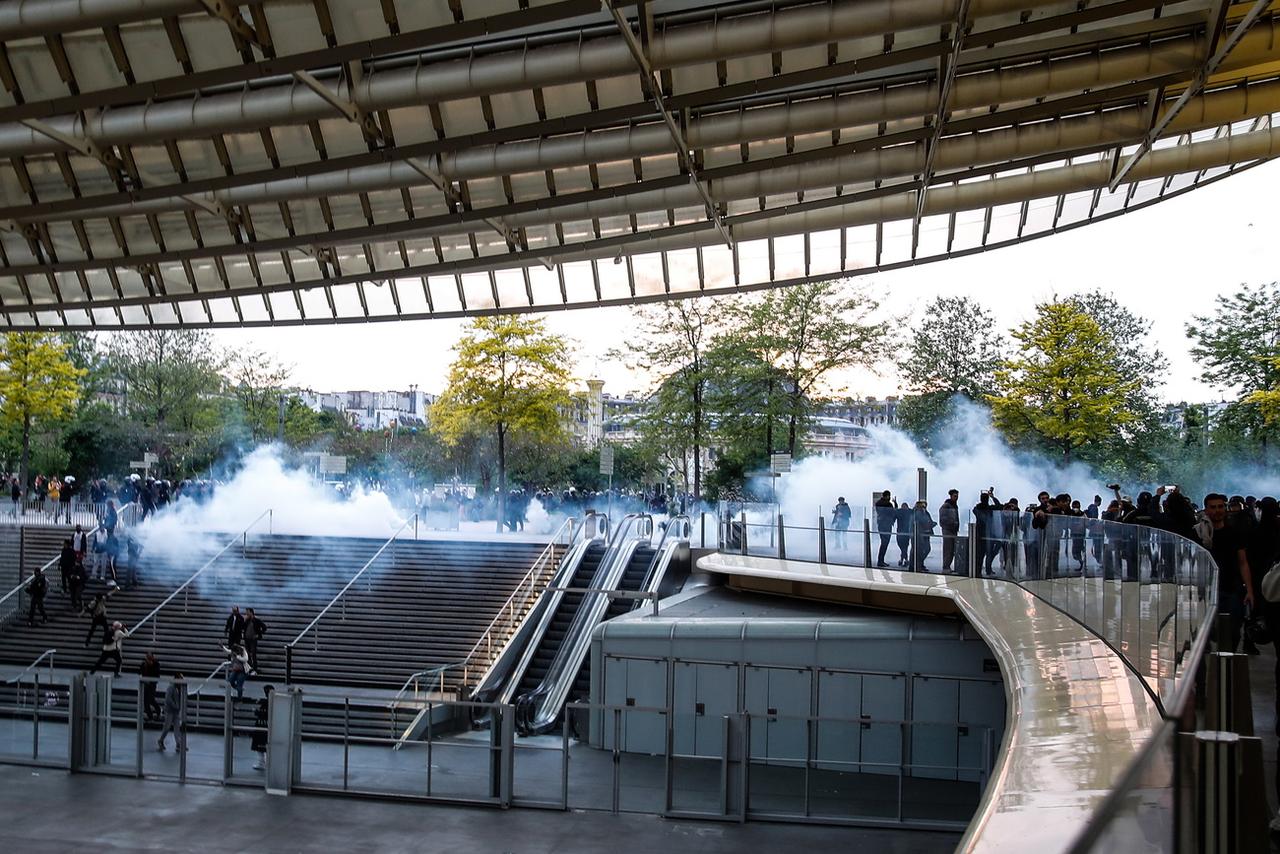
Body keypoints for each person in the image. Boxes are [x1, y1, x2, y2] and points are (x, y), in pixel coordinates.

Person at [1195, 493, 1256, 653]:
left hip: (1232, 588)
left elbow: (1243, 562)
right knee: (1205, 633)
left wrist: (1249, 590)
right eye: (1213, 507)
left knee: (1233, 631)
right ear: (1206, 510)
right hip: (1206, 589)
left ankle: (1227, 663)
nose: (1217, 511)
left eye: (1220, 506)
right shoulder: (1199, 534)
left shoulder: (1235, 532)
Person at [158, 674, 187, 752]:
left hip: (176, 711)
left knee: (177, 728)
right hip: (169, 711)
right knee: (167, 727)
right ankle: (161, 740)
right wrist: (176, 706)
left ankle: (179, 744)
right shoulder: (171, 687)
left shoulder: (180, 688)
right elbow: (168, 699)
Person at [251, 684, 274, 770]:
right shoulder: (272, 702)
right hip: (265, 725)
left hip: (263, 725)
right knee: (262, 745)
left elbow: (265, 714)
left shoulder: (267, 703)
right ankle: (264, 762)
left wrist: (256, 712)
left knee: (261, 745)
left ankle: (262, 762)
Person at [939, 489, 960, 572]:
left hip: (953, 530)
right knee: (948, 549)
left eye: (957, 496)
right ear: (951, 496)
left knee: (952, 549)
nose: (956, 498)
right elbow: (942, 519)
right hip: (948, 530)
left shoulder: (954, 505)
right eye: (955, 496)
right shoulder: (946, 506)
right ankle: (946, 566)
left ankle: (948, 566)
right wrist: (951, 522)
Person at [910, 500, 935, 569]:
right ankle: (917, 565)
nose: (924, 507)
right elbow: (921, 522)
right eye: (923, 505)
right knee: (918, 550)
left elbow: (928, 520)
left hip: (926, 533)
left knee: (926, 549)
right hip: (919, 534)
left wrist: (931, 524)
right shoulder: (916, 513)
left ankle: (919, 564)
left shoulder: (925, 513)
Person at [874, 491, 895, 568]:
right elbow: (893, 512)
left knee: (883, 543)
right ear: (887, 496)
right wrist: (895, 504)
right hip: (886, 524)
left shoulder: (878, 503)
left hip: (881, 524)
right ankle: (880, 561)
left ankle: (881, 560)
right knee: (885, 543)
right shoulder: (888, 504)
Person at [139, 652, 162, 722]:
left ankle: (158, 711)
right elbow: (141, 672)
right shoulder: (144, 664)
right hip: (146, 684)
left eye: (150, 657)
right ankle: (150, 716)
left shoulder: (156, 664)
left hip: (152, 684)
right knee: (146, 701)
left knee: (151, 699)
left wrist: (151, 666)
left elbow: (157, 674)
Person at [243, 608, 267, 673]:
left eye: (247, 612)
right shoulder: (246, 621)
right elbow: (242, 628)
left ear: (251, 612)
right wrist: (244, 621)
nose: (246, 613)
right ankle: (249, 667)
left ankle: (255, 668)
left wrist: (258, 634)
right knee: (247, 654)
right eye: (246, 612)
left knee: (253, 654)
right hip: (247, 639)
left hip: (253, 640)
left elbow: (264, 627)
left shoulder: (257, 620)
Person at [895, 501, 913, 567]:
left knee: (903, 547)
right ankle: (905, 559)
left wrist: (895, 504)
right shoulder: (910, 512)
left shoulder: (900, 512)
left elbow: (895, 512)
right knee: (904, 547)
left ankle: (904, 559)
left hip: (901, 532)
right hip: (905, 532)